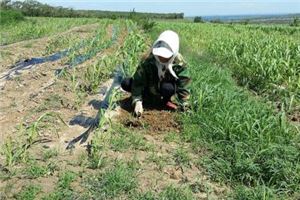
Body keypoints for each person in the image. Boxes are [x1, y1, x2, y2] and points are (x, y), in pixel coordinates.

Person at [121, 30, 191, 117]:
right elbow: (138, 81)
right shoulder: (148, 60)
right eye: (160, 55)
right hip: (148, 87)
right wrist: (137, 101)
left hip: (164, 88)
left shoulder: (179, 63)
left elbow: (183, 84)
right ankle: (144, 98)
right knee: (126, 83)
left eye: (165, 56)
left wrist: (185, 103)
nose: (161, 58)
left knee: (167, 88)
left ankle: (164, 101)